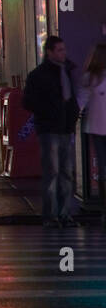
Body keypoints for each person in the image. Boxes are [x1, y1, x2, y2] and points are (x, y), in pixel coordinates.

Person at [24, 35, 80, 226]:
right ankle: (52, 214)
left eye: (64, 49)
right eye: (59, 50)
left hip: (64, 128)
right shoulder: (39, 75)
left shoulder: (67, 71)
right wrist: (49, 110)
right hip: (50, 129)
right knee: (53, 172)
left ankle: (63, 213)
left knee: (65, 172)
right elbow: (28, 101)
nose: (63, 53)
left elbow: (71, 99)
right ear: (50, 52)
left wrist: (72, 115)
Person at [77, 43, 106, 224]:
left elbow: (81, 101)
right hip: (97, 128)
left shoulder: (89, 79)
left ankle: (104, 208)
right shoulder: (91, 79)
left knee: (103, 169)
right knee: (103, 168)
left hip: (95, 127)